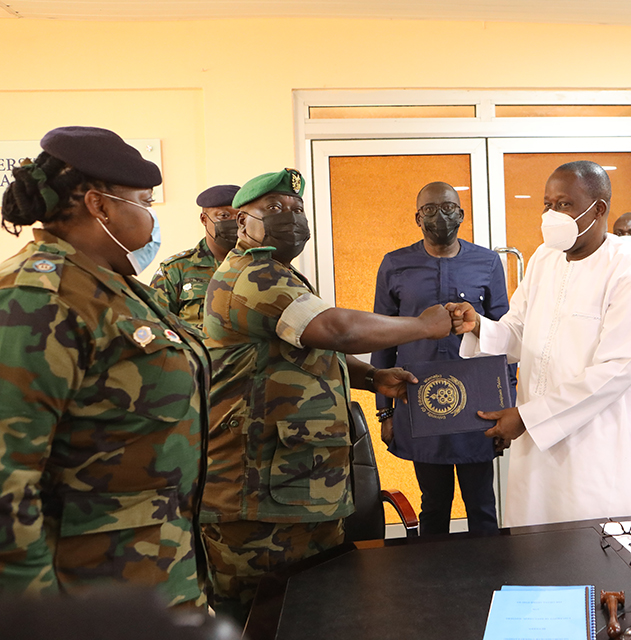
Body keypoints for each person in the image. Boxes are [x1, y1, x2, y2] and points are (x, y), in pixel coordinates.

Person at [201, 168, 453, 622]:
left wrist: (371, 378)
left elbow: (311, 348)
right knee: (260, 620)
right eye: (274, 208)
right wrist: (423, 325)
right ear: (242, 222)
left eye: (296, 208)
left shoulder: (279, 273)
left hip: (300, 488)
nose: (290, 217)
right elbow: (336, 330)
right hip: (258, 497)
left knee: (311, 615)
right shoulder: (252, 277)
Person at [0, 126, 209, 608]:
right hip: (89, 599)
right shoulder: (37, 299)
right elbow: (8, 478)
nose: (152, 217)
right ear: (100, 206)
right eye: (145, 202)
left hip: (159, 579)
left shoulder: (116, 288)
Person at [447, 161, 631, 528]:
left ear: (599, 209)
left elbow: (616, 370)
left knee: (593, 552)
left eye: (564, 204)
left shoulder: (628, 270)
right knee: (533, 549)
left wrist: (528, 418)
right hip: (536, 446)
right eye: (547, 204)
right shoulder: (544, 259)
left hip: (596, 449)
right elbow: (518, 331)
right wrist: (479, 326)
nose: (551, 215)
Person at [372, 181, 515, 535]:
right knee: (434, 504)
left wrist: (508, 405)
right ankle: (432, 572)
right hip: (420, 400)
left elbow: (505, 337)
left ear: (461, 215)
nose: (441, 216)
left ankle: (489, 569)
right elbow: (382, 340)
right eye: (430, 209)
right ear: (417, 218)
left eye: (449, 208)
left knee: (482, 504)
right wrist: (385, 412)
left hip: (478, 404)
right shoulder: (395, 265)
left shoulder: (487, 262)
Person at [150, 184, 240, 327]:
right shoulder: (175, 269)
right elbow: (156, 325)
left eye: (241, 216)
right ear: (204, 219)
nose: (234, 222)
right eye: (224, 216)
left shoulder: (261, 264)